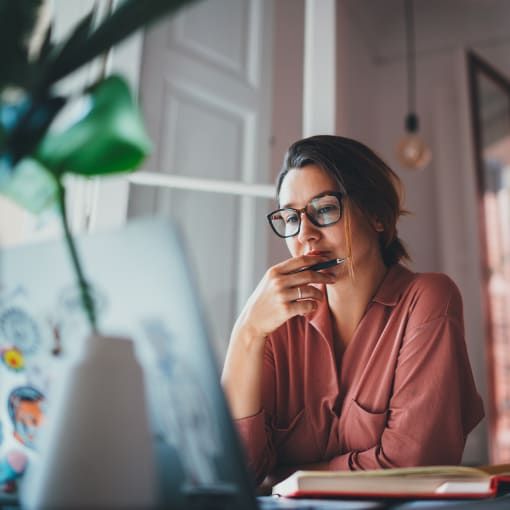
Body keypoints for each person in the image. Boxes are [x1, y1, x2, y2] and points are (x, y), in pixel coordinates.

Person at [221, 135, 485, 487]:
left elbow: (413, 466)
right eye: (290, 218)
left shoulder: (428, 299)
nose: (306, 236)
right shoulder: (275, 324)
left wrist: (285, 477)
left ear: (376, 214)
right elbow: (233, 473)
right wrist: (247, 332)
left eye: (325, 209)